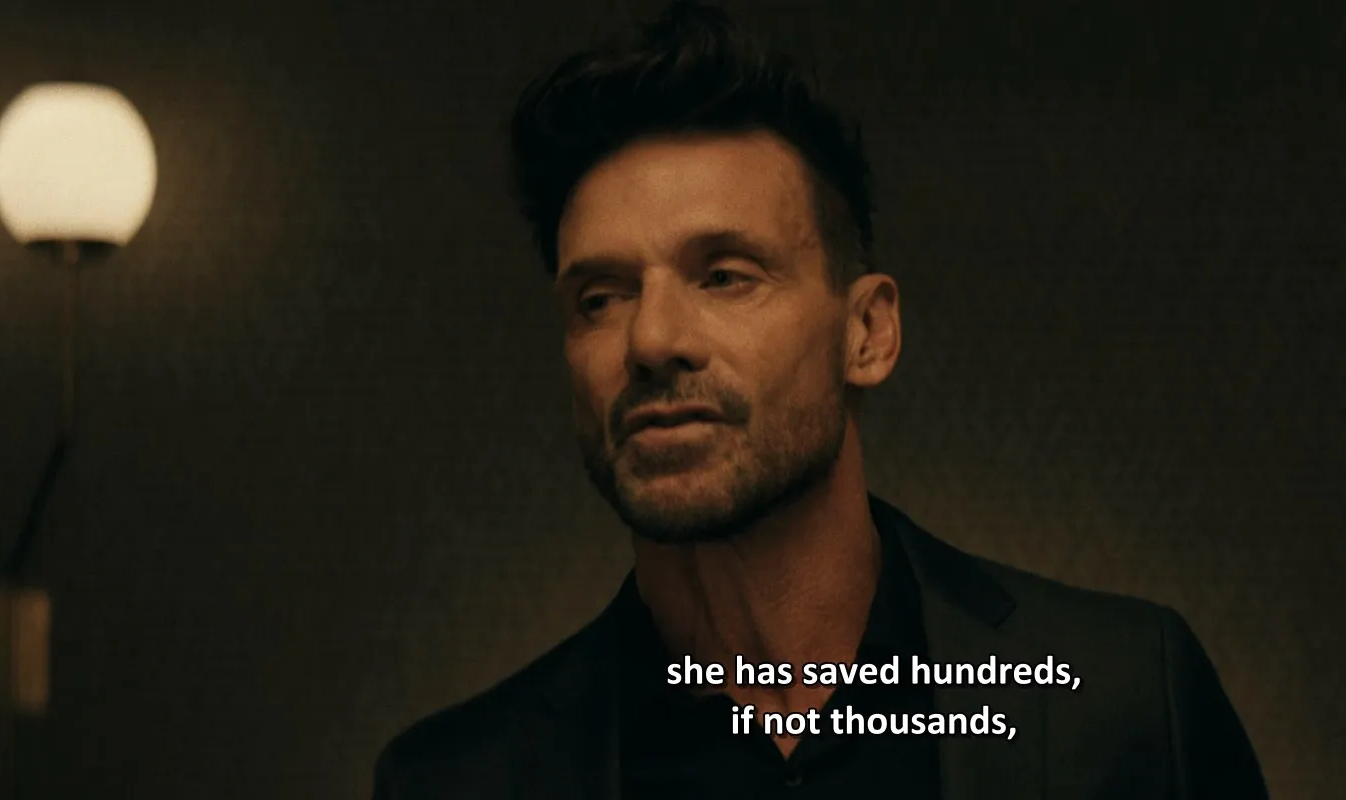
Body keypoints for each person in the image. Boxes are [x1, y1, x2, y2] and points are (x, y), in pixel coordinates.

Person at [371, 2, 1266, 797]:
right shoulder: (454, 781)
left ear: (866, 332)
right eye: (600, 297)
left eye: (725, 275)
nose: (649, 340)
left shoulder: (1126, 700)